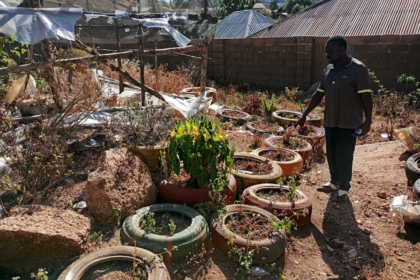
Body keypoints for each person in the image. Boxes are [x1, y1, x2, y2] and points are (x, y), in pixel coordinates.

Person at [295, 35, 373, 202]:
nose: (327, 55)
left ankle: (344, 189)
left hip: (348, 122)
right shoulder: (328, 70)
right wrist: (304, 114)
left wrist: (368, 121)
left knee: (345, 155)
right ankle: (334, 183)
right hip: (330, 120)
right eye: (326, 52)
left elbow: (366, 97)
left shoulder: (358, 69)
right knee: (331, 153)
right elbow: (318, 94)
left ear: (343, 50)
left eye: (330, 52)